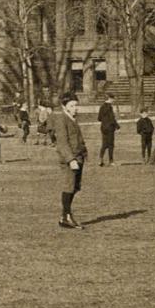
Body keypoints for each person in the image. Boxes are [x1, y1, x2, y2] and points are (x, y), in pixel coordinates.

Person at [54, 93, 87, 229]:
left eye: (76, 105)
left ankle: (65, 216)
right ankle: (66, 216)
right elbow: (62, 143)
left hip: (78, 157)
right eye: (72, 106)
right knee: (69, 186)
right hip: (70, 159)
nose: (75, 108)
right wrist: (70, 159)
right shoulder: (62, 119)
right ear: (64, 106)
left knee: (74, 187)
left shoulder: (72, 119)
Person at [97, 95, 119, 167]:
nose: (113, 100)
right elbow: (112, 118)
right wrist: (117, 126)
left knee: (104, 144)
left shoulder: (102, 106)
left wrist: (104, 121)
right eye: (112, 99)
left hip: (103, 128)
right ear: (110, 99)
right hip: (110, 128)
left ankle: (100, 159)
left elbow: (99, 118)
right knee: (111, 145)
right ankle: (111, 161)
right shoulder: (110, 107)